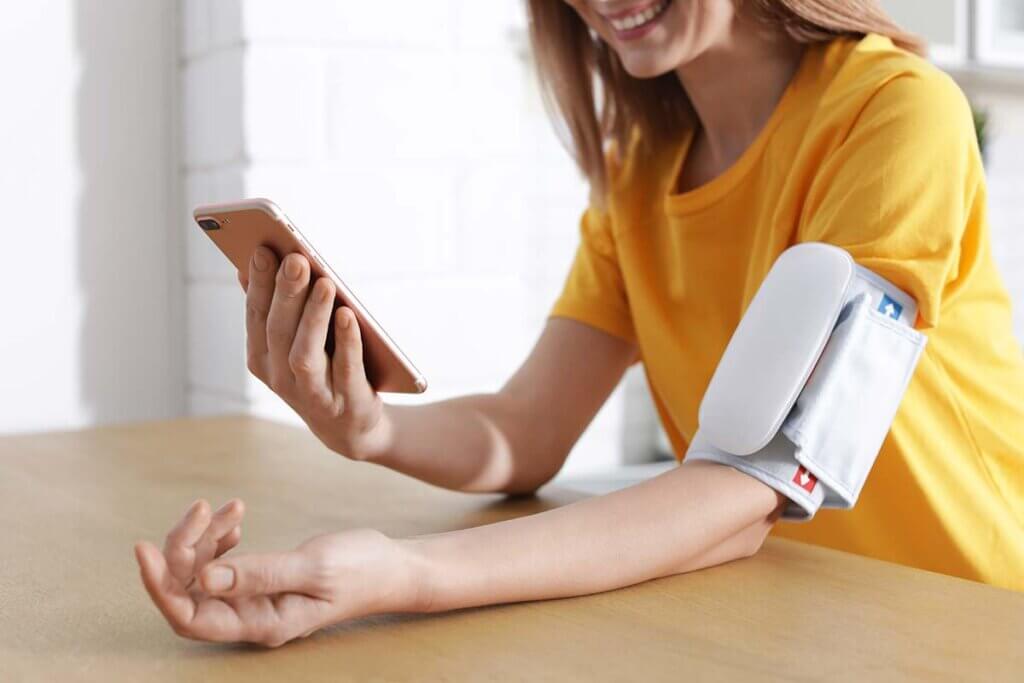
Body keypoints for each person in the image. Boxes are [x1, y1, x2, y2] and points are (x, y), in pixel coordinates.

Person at [134, 0, 1024, 647]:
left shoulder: (897, 115)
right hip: (796, 624)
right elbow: (526, 429)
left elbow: (761, 478)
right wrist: (371, 427)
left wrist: (405, 574)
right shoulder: (641, 176)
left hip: (973, 623)